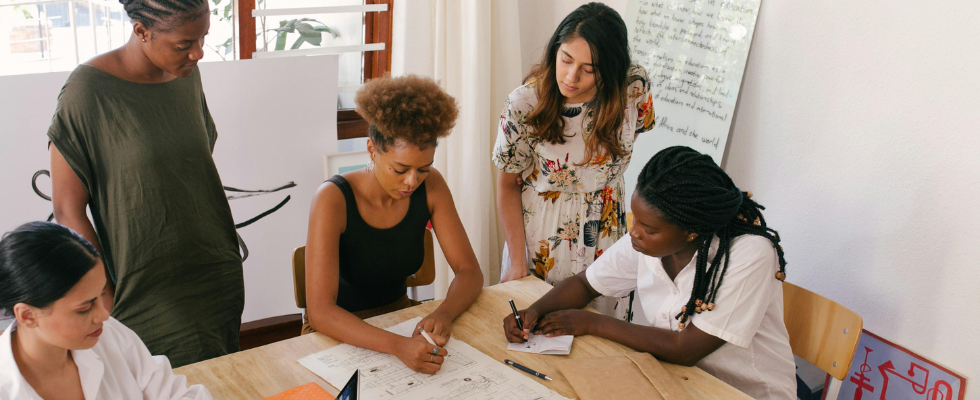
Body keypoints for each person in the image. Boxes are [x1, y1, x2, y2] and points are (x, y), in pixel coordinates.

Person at [503, 147, 796, 399]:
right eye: (636, 220)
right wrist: (535, 311)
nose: (634, 232)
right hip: (676, 380)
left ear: (691, 231)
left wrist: (591, 323)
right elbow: (585, 284)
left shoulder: (750, 254)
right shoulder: (647, 243)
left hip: (741, 391)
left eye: (649, 229)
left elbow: (685, 349)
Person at [47, 0, 243, 367]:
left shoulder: (186, 74)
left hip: (214, 270)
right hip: (143, 285)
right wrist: (102, 294)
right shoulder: (87, 91)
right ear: (142, 31)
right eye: (184, 44)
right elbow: (67, 209)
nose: (197, 53)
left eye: (202, 38)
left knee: (219, 382)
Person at [304, 75, 484, 375]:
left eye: (423, 169)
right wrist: (398, 346)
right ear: (372, 150)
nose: (412, 182)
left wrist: (444, 313)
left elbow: (469, 272)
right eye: (400, 169)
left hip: (399, 320)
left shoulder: (432, 186)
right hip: (337, 332)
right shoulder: (332, 198)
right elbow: (321, 312)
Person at [493, 2, 656, 319]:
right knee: (537, 332)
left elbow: (622, 150)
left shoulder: (633, 86)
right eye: (565, 59)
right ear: (555, 49)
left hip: (608, 230)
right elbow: (506, 185)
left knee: (603, 338)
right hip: (544, 234)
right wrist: (516, 261)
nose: (570, 76)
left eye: (589, 68)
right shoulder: (525, 103)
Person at [0, 221, 211, 399]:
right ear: (27, 315)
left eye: (101, 295)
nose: (104, 315)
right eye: (84, 308)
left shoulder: (108, 334)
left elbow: (174, 395)